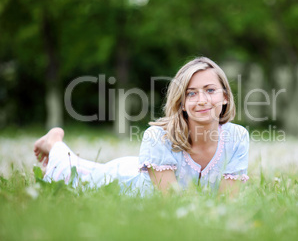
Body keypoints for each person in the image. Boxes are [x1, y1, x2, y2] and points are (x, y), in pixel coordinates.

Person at [33, 57, 249, 196]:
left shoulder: (237, 137)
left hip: (134, 167)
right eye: (191, 93)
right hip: (121, 179)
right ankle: (54, 143)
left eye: (210, 90)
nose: (201, 100)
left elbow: (228, 201)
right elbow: (173, 202)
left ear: (225, 97)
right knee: (69, 177)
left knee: (81, 168)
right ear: (181, 103)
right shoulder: (158, 137)